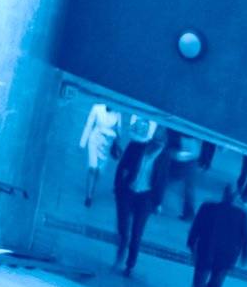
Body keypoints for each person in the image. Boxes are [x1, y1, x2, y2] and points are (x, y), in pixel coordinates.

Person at [113, 122, 168, 276]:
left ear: (164, 140)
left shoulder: (164, 156)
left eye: (161, 134)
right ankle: (121, 250)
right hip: (128, 191)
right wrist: (118, 187)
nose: (158, 136)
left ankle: (130, 265)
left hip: (146, 197)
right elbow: (122, 165)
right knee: (123, 227)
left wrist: (158, 202)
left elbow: (162, 180)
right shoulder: (137, 146)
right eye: (157, 131)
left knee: (137, 232)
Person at [186, 185, 247, 287]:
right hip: (227, 254)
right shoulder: (241, 214)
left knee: (200, 277)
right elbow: (245, 236)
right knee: (218, 277)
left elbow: (196, 226)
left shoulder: (208, 207)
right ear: (235, 197)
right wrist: (245, 253)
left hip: (207, 249)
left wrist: (191, 242)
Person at [79, 100, 120, 206]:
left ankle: (92, 189)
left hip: (107, 144)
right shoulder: (97, 107)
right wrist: (82, 143)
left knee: (98, 171)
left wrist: (117, 145)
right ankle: (89, 196)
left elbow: (119, 131)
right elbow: (89, 124)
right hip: (94, 140)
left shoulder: (118, 112)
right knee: (92, 168)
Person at [165, 128, 201, 221]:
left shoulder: (176, 133)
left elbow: (178, 154)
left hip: (181, 159)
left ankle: (153, 202)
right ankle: (189, 213)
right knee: (188, 188)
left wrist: (170, 152)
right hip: (189, 159)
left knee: (163, 180)